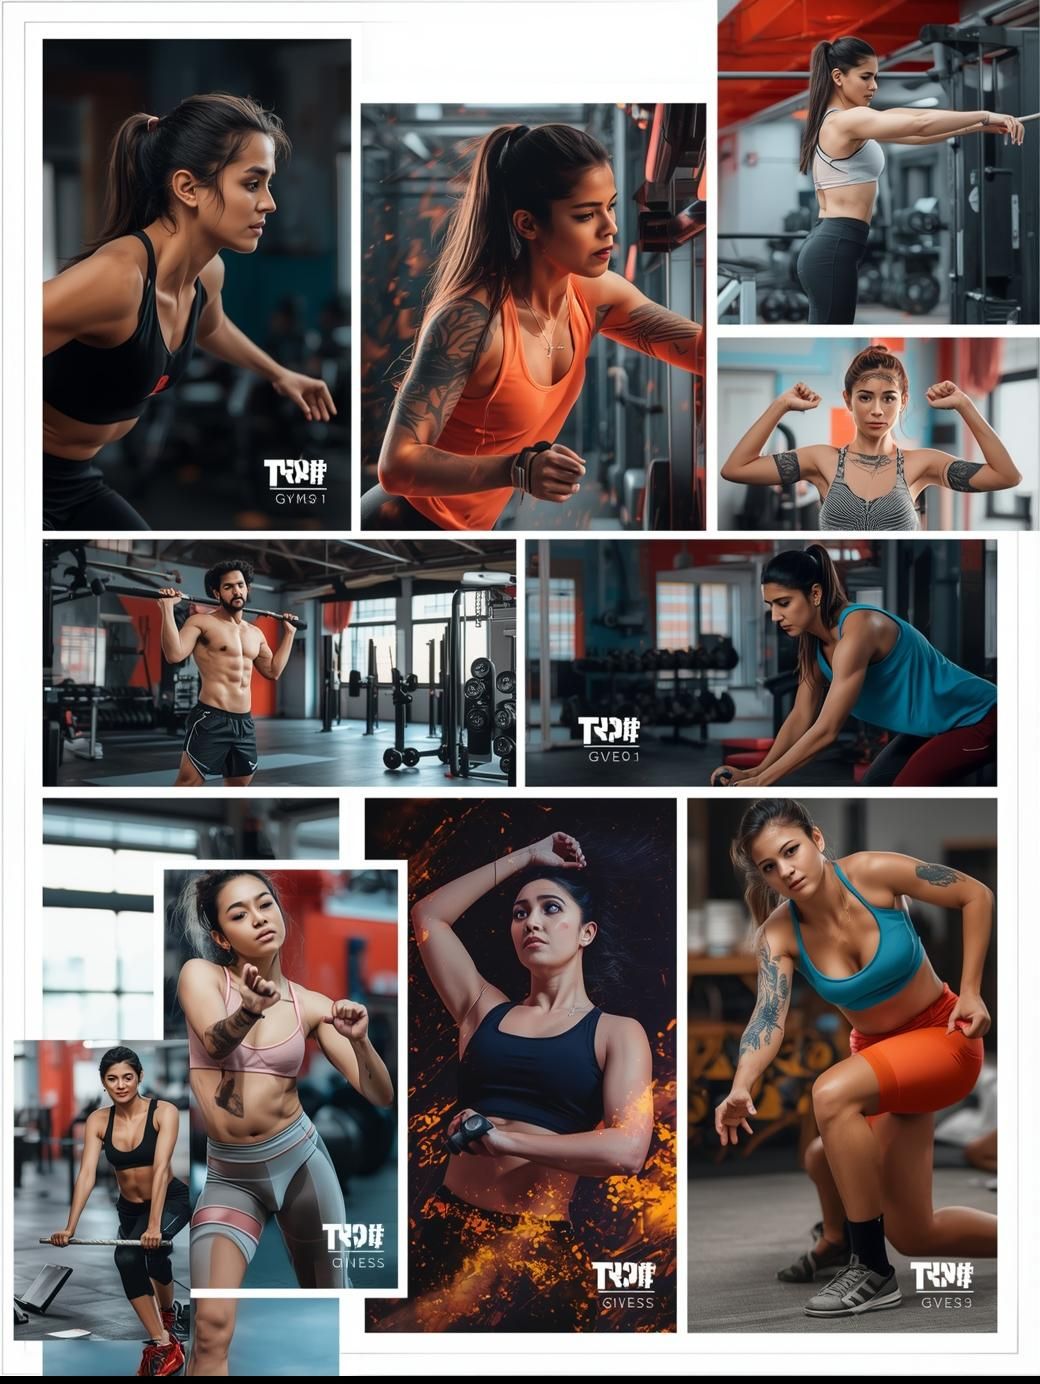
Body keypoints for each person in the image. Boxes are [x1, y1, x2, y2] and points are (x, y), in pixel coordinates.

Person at [715, 799, 996, 1318]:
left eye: (791, 850)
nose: (786, 870)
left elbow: (975, 894)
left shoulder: (871, 872)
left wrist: (974, 992)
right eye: (769, 867)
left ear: (817, 839)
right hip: (887, 1064)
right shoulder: (778, 933)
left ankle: (871, 1269)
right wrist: (740, 1085)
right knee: (911, 1229)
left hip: (945, 1039)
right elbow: (767, 1016)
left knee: (831, 1092)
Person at [363, 122, 703, 531]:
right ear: (527, 224)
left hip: (471, 528)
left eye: (610, 206)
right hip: (401, 524)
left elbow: (701, 350)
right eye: (585, 215)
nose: (609, 227)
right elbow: (397, 467)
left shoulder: (596, 295)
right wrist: (517, 469)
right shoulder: (470, 320)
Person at [385, 830, 654, 1330]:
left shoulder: (616, 1033)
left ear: (586, 933)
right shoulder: (479, 1009)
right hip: (448, 1231)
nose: (531, 920)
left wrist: (503, 1140)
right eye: (520, 912)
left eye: (551, 909)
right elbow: (427, 916)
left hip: (535, 1252)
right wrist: (527, 857)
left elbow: (627, 1151)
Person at [43, 93, 336, 532]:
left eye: (268, 184)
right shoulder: (117, 280)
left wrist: (279, 373)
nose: (269, 203)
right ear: (187, 188)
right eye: (252, 183)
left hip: (76, 480)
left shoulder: (206, 275)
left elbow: (212, 327)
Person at [177, 869, 394, 1373]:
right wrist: (248, 1012)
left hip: (301, 1163)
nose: (258, 919)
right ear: (219, 937)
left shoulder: (311, 1005)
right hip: (231, 1175)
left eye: (264, 904)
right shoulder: (201, 976)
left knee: (335, 1303)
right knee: (209, 1329)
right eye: (238, 914)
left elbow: (379, 1093)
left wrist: (362, 1040)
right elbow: (214, 1041)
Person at [710, 544, 996, 787]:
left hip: (980, 717)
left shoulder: (859, 629)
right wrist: (756, 771)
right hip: (934, 726)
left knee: (903, 790)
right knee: (873, 785)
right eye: (770, 605)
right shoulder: (812, 643)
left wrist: (761, 783)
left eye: (783, 603)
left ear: (816, 594)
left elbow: (826, 730)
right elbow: (801, 715)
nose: (775, 616)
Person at [793, 36, 1026, 324]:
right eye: (866, 77)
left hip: (834, 244)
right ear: (838, 77)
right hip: (834, 247)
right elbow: (920, 124)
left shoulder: (848, 121)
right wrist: (988, 113)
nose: (874, 86)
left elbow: (916, 131)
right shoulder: (844, 121)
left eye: (876, 77)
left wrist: (979, 126)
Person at [720, 345, 1022, 529]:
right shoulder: (821, 460)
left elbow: (1006, 476)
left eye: (888, 398)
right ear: (848, 399)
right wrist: (780, 405)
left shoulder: (922, 463)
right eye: (865, 398)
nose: (877, 410)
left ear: (902, 401)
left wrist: (965, 406)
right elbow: (735, 469)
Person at [48, 1046, 189, 1376]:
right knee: (149, 1257)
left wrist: (154, 1225)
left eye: (127, 1077)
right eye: (112, 1079)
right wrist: (69, 1227)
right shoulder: (98, 1120)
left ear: (140, 1077)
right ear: (103, 1083)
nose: (121, 1084)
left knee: (134, 1255)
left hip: (168, 1199)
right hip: (129, 1208)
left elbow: (161, 1167)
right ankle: (165, 1336)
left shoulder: (163, 1112)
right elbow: (86, 1175)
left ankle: (164, 1336)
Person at [158, 559, 295, 787]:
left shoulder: (255, 633)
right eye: (228, 587)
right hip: (212, 718)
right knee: (187, 783)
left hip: (244, 722)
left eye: (240, 585)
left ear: (247, 588)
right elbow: (174, 654)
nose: (237, 591)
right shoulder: (201, 622)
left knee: (239, 785)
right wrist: (167, 609)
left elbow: (273, 671)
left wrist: (289, 634)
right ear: (217, 593)